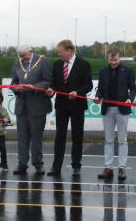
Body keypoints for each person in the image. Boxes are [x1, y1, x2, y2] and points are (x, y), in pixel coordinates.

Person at [46, 39, 93, 176]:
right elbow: (54, 83)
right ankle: (56, 166)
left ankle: (76, 165)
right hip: (61, 105)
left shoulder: (83, 64)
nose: (59, 55)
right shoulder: (57, 65)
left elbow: (88, 85)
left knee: (77, 136)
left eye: (61, 52)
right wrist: (51, 90)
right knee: (60, 136)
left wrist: (78, 92)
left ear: (69, 51)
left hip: (77, 105)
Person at [93, 46, 136, 180]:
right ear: (108, 58)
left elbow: (133, 89)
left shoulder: (128, 70)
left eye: (116, 60)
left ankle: (122, 168)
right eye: (111, 60)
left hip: (122, 109)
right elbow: (100, 89)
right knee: (108, 140)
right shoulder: (103, 71)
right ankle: (108, 167)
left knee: (123, 139)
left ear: (120, 57)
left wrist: (130, 98)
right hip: (107, 109)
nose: (113, 62)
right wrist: (97, 97)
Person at [10, 44, 52, 175]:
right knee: (22, 137)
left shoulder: (43, 61)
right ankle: (22, 163)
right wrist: (16, 88)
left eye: (25, 56)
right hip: (22, 106)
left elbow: (48, 81)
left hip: (37, 106)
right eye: (20, 56)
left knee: (36, 137)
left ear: (31, 52)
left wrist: (34, 87)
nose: (23, 59)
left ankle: (38, 163)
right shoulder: (17, 63)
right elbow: (12, 83)